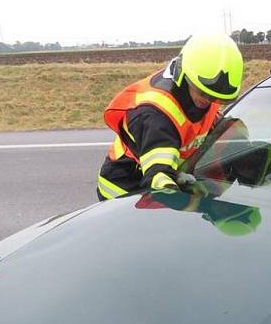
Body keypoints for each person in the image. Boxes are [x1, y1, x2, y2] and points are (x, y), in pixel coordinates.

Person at [97, 34, 244, 201]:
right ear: (183, 74)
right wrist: (174, 195)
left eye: (217, 98)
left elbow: (214, 129)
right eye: (203, 93)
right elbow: (158, 175)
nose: (208, 101)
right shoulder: (155, 114)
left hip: (162, 182)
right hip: (124, 194)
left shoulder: (205, 90)